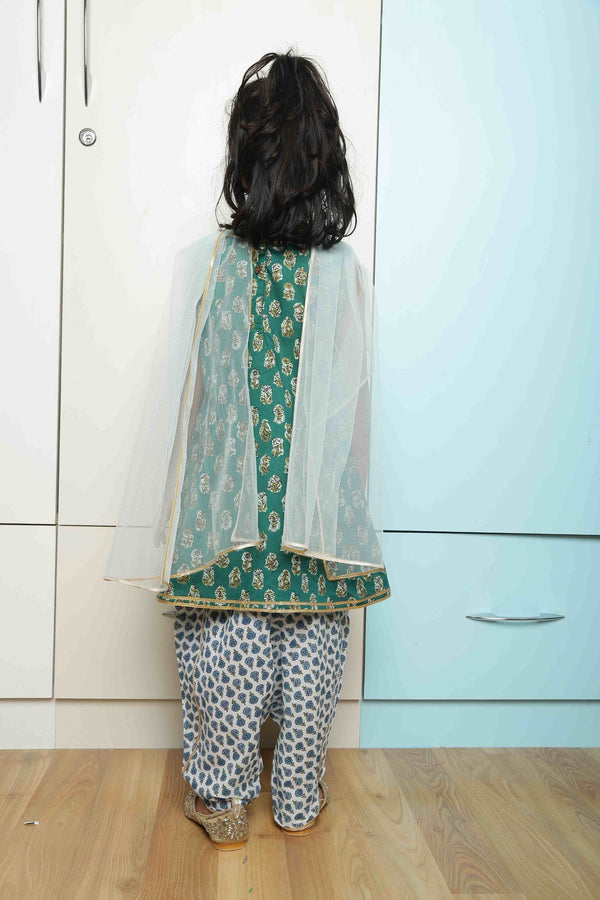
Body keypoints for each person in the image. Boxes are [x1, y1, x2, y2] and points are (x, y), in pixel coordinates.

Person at [104, 47, 391, 851]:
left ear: (244, 159)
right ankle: (297, 793)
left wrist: (177, 509)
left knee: (226, 641)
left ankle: (224, 797)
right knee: (312, 642)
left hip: (229, 501)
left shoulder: (208, 264)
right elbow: (351, 411)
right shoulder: (344, 273)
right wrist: (342, 503)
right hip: (314, 509)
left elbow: (188, 399)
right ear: (328, 163)